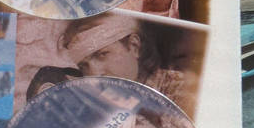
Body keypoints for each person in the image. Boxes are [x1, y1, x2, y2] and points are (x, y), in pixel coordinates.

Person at [58, 14, 186, 110]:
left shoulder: (181, 90)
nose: (94, 74)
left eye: (102, 55)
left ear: (134, 46)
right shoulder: (106, 107)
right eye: (83, 66)